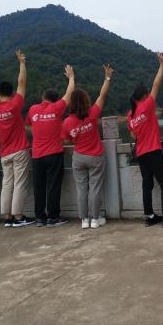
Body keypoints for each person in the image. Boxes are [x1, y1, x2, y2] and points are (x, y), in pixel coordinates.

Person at [127, 53, 163, 228]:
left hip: (141, 154)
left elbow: (133, 136)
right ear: (144, 96)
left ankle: (150, 216)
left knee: (147, 185)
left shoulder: (130, 115)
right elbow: (156, 84)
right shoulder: (147, 105)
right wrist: (162, 66)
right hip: (153, 152)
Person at [62, 64, 113, 229]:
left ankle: (84, 220)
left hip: (78, 158)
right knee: (95, 188)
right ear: (86, 101)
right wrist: (107, 77)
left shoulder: (67, 122)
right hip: (95, 156)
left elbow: (66, 141)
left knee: (81, 189)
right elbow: (102, 95)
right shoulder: (92, 114)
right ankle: (95, 219)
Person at [0, 49, 35, 227]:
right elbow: (22, 83)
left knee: (7, 183)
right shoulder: (15, 104)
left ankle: (7, 217)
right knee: (20, 183)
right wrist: (22, 63)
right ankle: (18, 217)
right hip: (20, 150)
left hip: (4, 152)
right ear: (12, 92)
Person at [26, 65, 75, 227]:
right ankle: (53, 217)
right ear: (55, 100)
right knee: (53, 185)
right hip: (54, 153)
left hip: (37, 155)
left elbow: (29, 124)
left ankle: (40, 218)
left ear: (43, 97)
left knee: (39, 186)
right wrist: (71, 77)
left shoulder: (33, 109)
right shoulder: (57, 108)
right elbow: (69, 93)